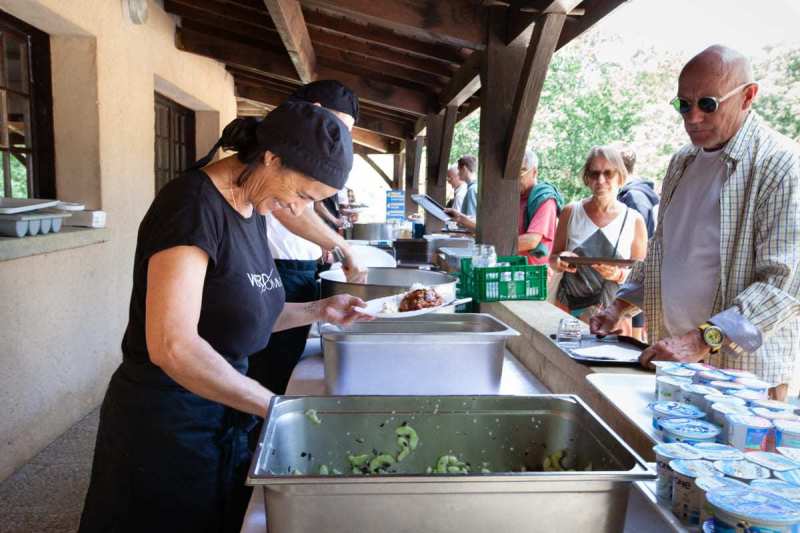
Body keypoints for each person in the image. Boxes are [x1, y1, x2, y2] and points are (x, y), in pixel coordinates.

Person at [79, 102, 369, 533]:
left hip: (221, 413)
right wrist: (273, 406)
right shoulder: (192, 207)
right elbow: (174, 346)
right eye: (303, 195)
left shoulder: (252, 204)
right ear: (271, 158)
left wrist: (317, 310)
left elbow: (242, 315)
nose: (297, 208)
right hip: (168, 426)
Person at [590, 45, 800, 399]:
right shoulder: (682, 162)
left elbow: (784, 286)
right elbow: (663, 253)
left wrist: (702, 340)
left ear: (748, 96)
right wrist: (619, 306)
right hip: (674, 364)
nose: (693, 117)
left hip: (741, 380)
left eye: (708, 104)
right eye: (683, 104)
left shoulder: (780, 164)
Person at [249, 80, 362, 395]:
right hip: (276, 268)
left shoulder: (296, 162)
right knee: (267, 369)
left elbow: (301, 203)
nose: (342, 138)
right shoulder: (281, 156)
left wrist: (331, 223)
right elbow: (288, 209)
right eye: (339, 126)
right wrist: (340, 245)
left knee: (282, 366)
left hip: (296, 268)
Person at [549, 145, 648, 323]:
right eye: (594, 174)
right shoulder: (571, 212)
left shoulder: (634, 220)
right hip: (567, 313)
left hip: (614, 319)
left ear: (621, 176)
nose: (601, 180)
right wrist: (560, 260)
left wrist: (617, 275)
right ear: (587, 178)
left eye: (608, 173)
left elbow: (641, 278)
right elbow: (553, 258)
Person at [613, 143, 660, 340]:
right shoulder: (634, 194)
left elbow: (642, 243)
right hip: (630, 283)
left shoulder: (634, 197)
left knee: (631, 339)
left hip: (633, 277)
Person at [517, 150, 563, 265]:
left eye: (521, 172)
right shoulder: (514, 197)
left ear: (534, 172)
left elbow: (531, 241)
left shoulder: (544, 199)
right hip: (513, 268)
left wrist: (491, 245)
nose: (515, 179)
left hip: (534, 273)